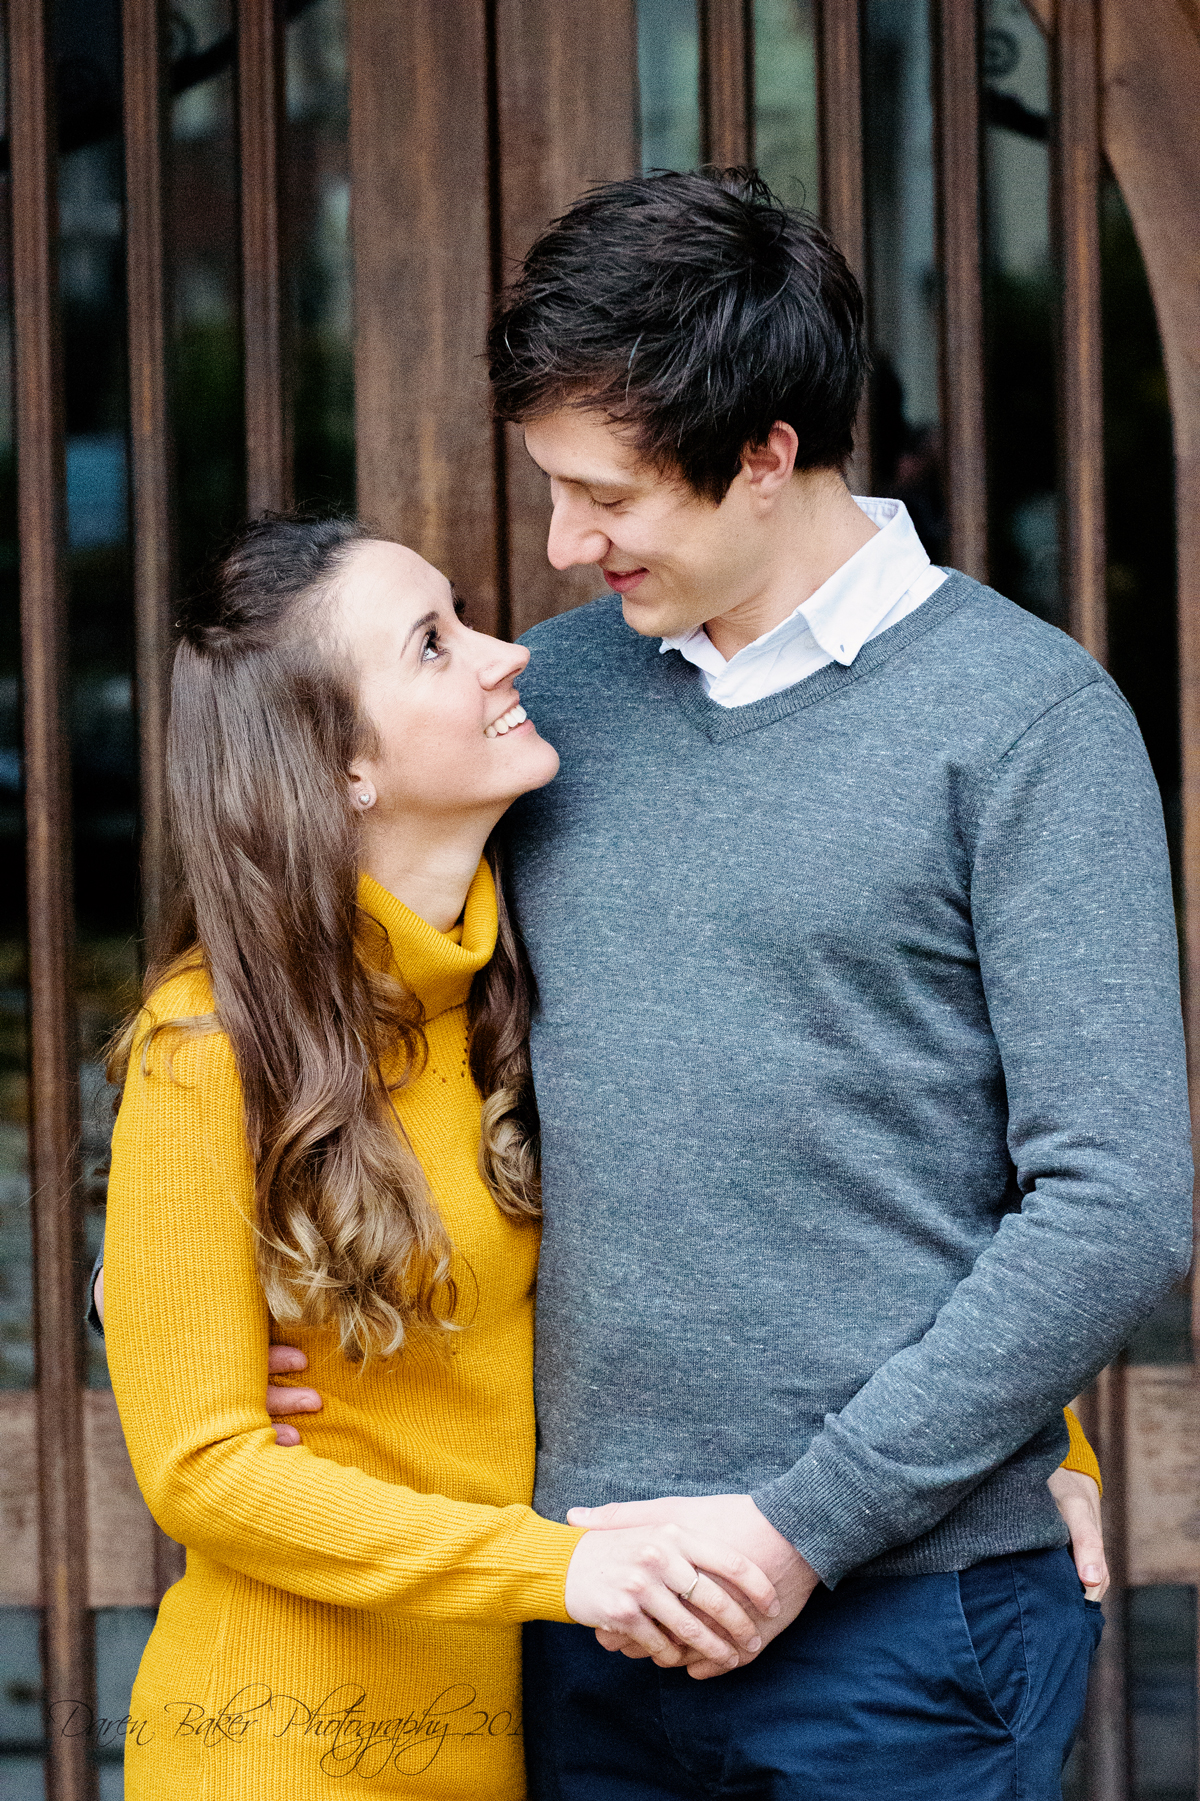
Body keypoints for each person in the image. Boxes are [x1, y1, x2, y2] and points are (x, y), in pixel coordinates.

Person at [476, 169, 1191, 1796]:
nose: (560, 544)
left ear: (768, 454)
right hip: (583, 1605)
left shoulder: (1026, 723)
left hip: (902, 1629)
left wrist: (808, 1528)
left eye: (607, 496)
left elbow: (1117, 1202)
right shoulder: (548, 697)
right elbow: (392, 1022)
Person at [98, 514, 781, 1801]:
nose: (506, 652)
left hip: (493, 1737)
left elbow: (781, 1197)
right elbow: (200, 1466)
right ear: (341, 764)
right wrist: (560, 1568)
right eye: (432, 643)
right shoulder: (207, 1045)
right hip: (276, 1747)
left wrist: (1034, 1455)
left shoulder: (528, 979)